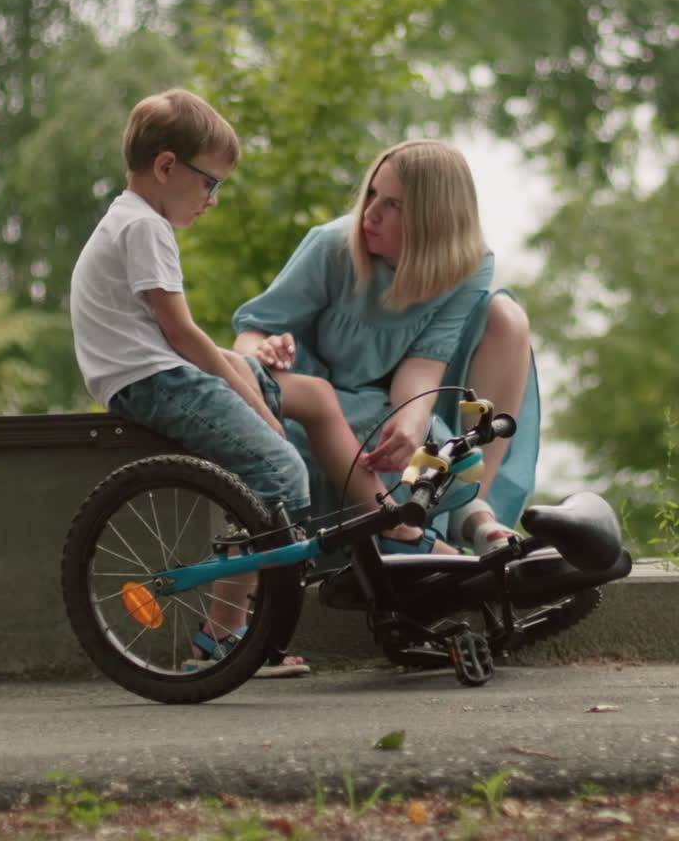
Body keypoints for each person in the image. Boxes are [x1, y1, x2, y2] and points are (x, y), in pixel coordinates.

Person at [69, 92, 447, 677]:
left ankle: (389, 518)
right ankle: (224, 635)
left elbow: (166, 335)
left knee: (313, 396)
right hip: (153, 381)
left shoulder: (130, 218)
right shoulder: (145, 228)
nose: (212, 199)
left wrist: (248, 370)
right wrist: (257, 405)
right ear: (166, 166)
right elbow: (182, 334)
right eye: (209, 183)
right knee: (279, 470)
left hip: (151, 370)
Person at [233, 138, 540, 555]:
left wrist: (411, 419)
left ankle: (470, 512)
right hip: (320, 396)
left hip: (390, 397)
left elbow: (425, 361)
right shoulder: (333, 246)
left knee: (440, 429)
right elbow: (250, 335)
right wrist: (264, 350)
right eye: (372, 193)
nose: (370, 213)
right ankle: (422, 541)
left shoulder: (469, 264)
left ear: (432, 218)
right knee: (418, 444)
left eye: (393, 204)